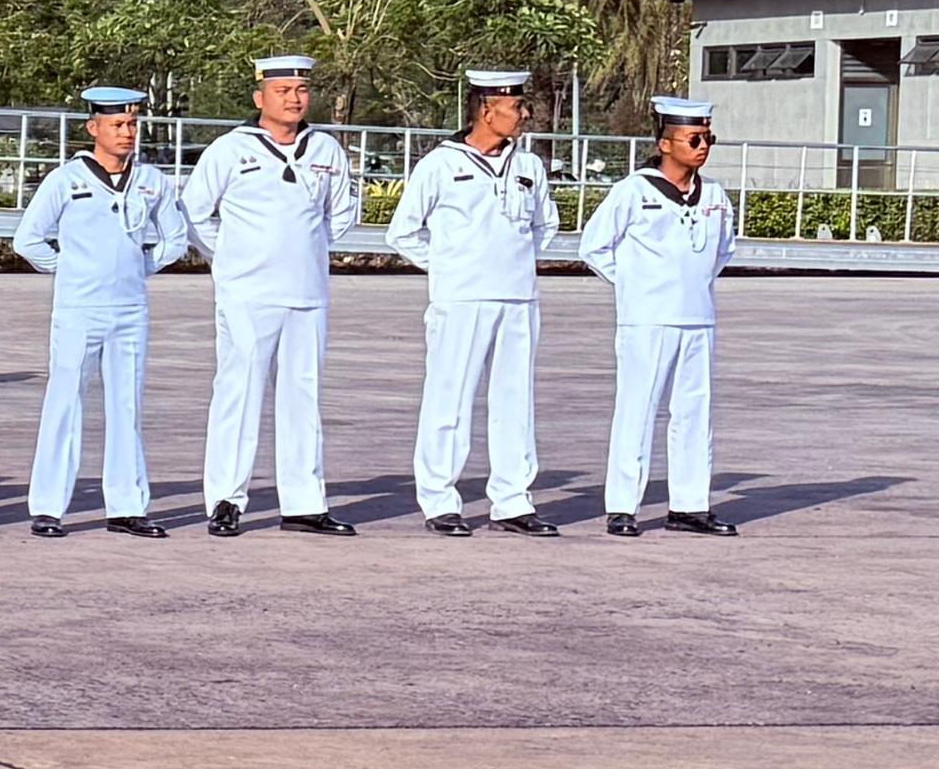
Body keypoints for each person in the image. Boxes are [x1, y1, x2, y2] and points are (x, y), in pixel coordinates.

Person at [188, 53, 363, 535]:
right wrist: (232, 258)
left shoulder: (324, 148)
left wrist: (308, 249)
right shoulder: (230, 149)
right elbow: (195, 213)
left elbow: (340, 213)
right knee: (239, 393)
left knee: (303, 396)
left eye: (301, 90)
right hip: (248, 292)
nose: (294, 99)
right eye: (283, 91)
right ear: (259, 97)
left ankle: (304, 502)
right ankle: (226, 498)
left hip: (307, 292)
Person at [10, 87, 192, 536]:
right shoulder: (66, 180)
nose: (126, 132)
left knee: (126, 406)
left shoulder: (150, 180)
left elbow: (175, 239)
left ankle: (127, 506)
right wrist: (70, 268)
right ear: (93, 128)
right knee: (65, 402)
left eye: (131, 124)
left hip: (129, 308)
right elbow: (28, 239)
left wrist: (140, 267)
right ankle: (48, 506)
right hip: (79, 308)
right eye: (116, 124)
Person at [392, 67, 559, 535]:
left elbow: (544, 225)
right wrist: (450, 267)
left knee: (515, 401)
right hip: (461, 299)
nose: (524, 114)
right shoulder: (441, 165)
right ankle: (440, 500)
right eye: (515, 106)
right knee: (449, 398)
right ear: (487, 111)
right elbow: (403, 232)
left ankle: (513, 500)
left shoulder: (528, 166)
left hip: (517, 298)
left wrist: (514, 264)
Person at [580, 96, 736, 534]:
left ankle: (690, 504)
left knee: (694, 413)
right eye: (693, 139)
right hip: (647, 319)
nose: (702, 147)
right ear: (665, 143)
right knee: (638, 409)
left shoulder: (715, 195)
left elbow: (723, 250)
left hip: (697, 317)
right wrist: (635, 285)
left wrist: (692, 283)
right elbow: (594, 247)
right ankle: (622, 505)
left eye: (708, 138)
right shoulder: (633, 191)